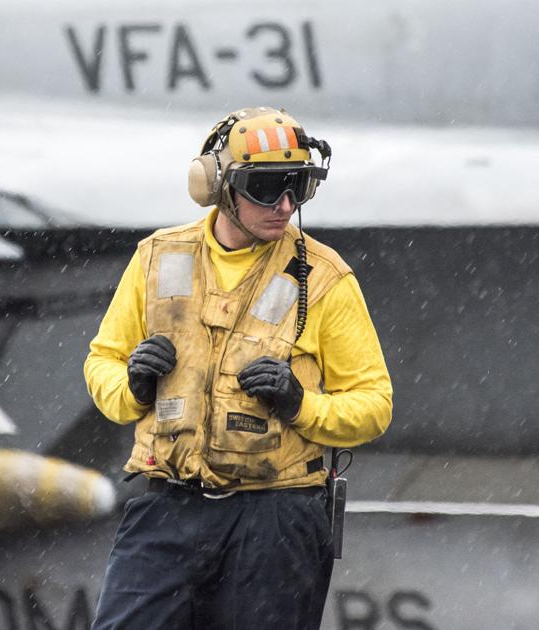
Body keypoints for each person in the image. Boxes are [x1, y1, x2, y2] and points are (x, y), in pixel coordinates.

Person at [83, 106, 393, 630]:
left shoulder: (324, 280)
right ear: (219, 185)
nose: (287, 205)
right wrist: (132, 386)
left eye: (299, 187)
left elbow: (374, 405)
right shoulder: (156, 258)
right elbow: (103, 361)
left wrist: (301, 404)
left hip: (275, 518)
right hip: (167, 507)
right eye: (267, 188)